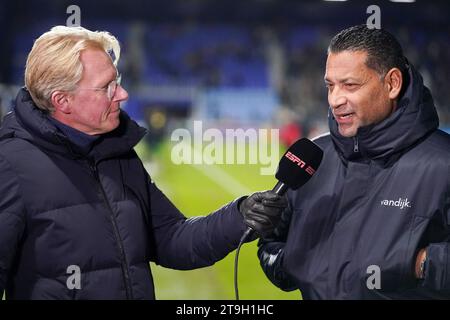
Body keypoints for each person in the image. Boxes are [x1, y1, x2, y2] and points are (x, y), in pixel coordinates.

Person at [0, 26, 287, 300]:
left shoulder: (117, 153)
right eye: (106, 88)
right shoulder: (10, 166)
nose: (122, 95)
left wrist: (240, 217)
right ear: (62, 101)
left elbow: (172, 239)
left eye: (118, 82)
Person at [258, 25, 450, 299]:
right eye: (330, 86)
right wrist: (287, 262)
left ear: (392, 83)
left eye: (350, 85)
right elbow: (273, 243)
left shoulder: (443, 163)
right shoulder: (312, 158)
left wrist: (419, 262)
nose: (335, 100)